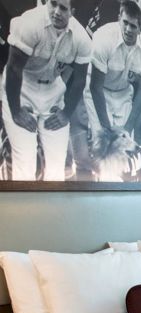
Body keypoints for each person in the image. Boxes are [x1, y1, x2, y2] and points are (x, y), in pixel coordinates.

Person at [2, 0, 92, 181]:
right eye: (53, 4)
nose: (57, 12)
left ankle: (53, 209)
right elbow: (13, 70)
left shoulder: (81, 37)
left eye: (63, 8)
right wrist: (16, 110)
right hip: (22, 90)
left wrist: (66, 113)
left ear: (72, 12)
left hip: (53, 92)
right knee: (25, 166)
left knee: (57, 171)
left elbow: (80, 80)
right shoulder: (30, 23)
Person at [83, 1, 141, 140]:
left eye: (133, 26)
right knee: (102, 141)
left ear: (140, 29)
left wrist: (128, 126)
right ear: (118, 19)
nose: (128, 29)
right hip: (99, 91)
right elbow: (95, 87)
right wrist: (107, 127)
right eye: (125, 23)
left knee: (124, 143)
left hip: (123, 94)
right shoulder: (103, 37)